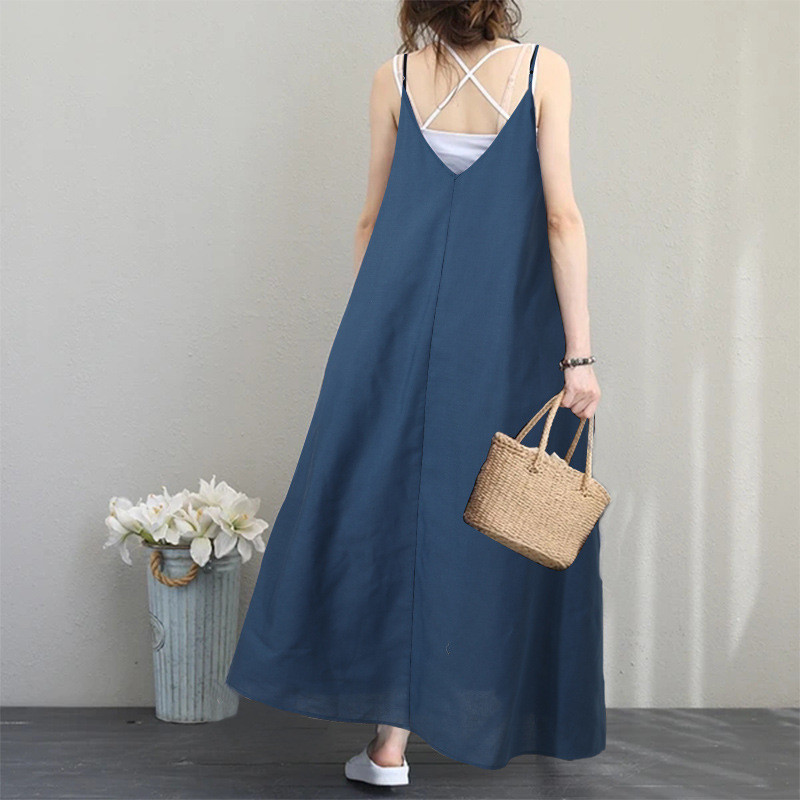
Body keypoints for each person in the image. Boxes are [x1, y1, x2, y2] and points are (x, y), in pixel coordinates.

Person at [226, 0, 605, 786]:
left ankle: (389, 746)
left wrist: (373, 334)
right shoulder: (544, 71)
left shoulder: (393, 77)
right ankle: (449, 722)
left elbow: (371, 221)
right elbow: (562, 219)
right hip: (503, 332)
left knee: (391, 512)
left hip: (390, 326)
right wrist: (579, 357)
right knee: (493, 512)